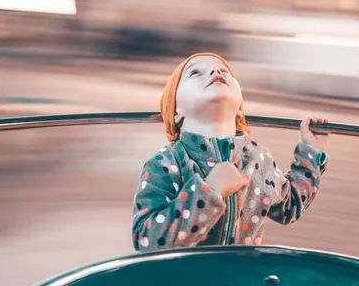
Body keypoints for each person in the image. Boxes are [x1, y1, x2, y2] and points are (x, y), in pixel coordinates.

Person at [131, 52, 329, 250]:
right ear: (175, 112)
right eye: (195, 73)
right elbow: (146, 241)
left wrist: (312, 152)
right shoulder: (166, 162)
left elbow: (290, 207)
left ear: (240, 111)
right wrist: (209, 192)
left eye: (224, 70)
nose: (215, 71)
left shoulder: (258, 158)